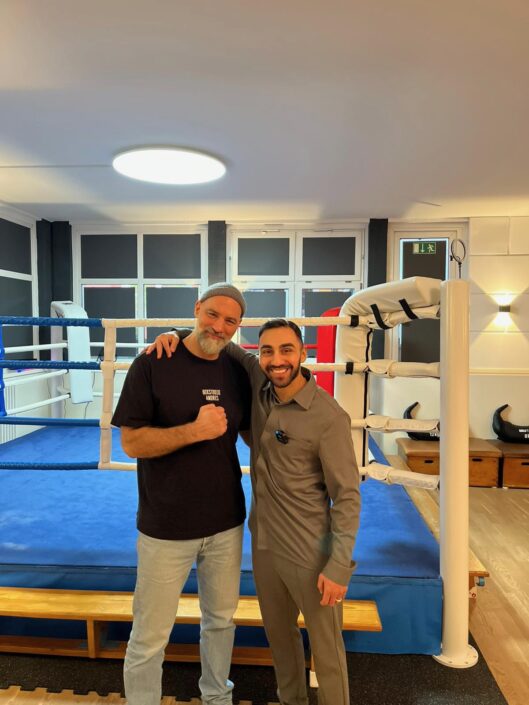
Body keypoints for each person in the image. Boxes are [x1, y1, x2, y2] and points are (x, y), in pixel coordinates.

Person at [151, 318, 361, 705]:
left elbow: (347, 496)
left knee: (327, 652)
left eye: (286, 350)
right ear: (259, 355)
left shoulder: (328, 417)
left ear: (304, 353)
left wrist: (338, 566)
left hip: (311, 552)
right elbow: (218, 337)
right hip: (264, 546)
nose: (277, 360)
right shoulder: (260, 383)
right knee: (280, 641)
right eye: (267, 351)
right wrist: (175, 334)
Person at [111, 282, 251, 705]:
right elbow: (131, 443)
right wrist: (194, 430)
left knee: (221, 621)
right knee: (150, 633)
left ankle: (217, 697)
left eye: (230, 321)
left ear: (238, 326)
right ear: (197, 309)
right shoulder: (153, 363)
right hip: (166, 525)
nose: (219, 326)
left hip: (226, 522)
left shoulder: (237, 369)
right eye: (212, 314)